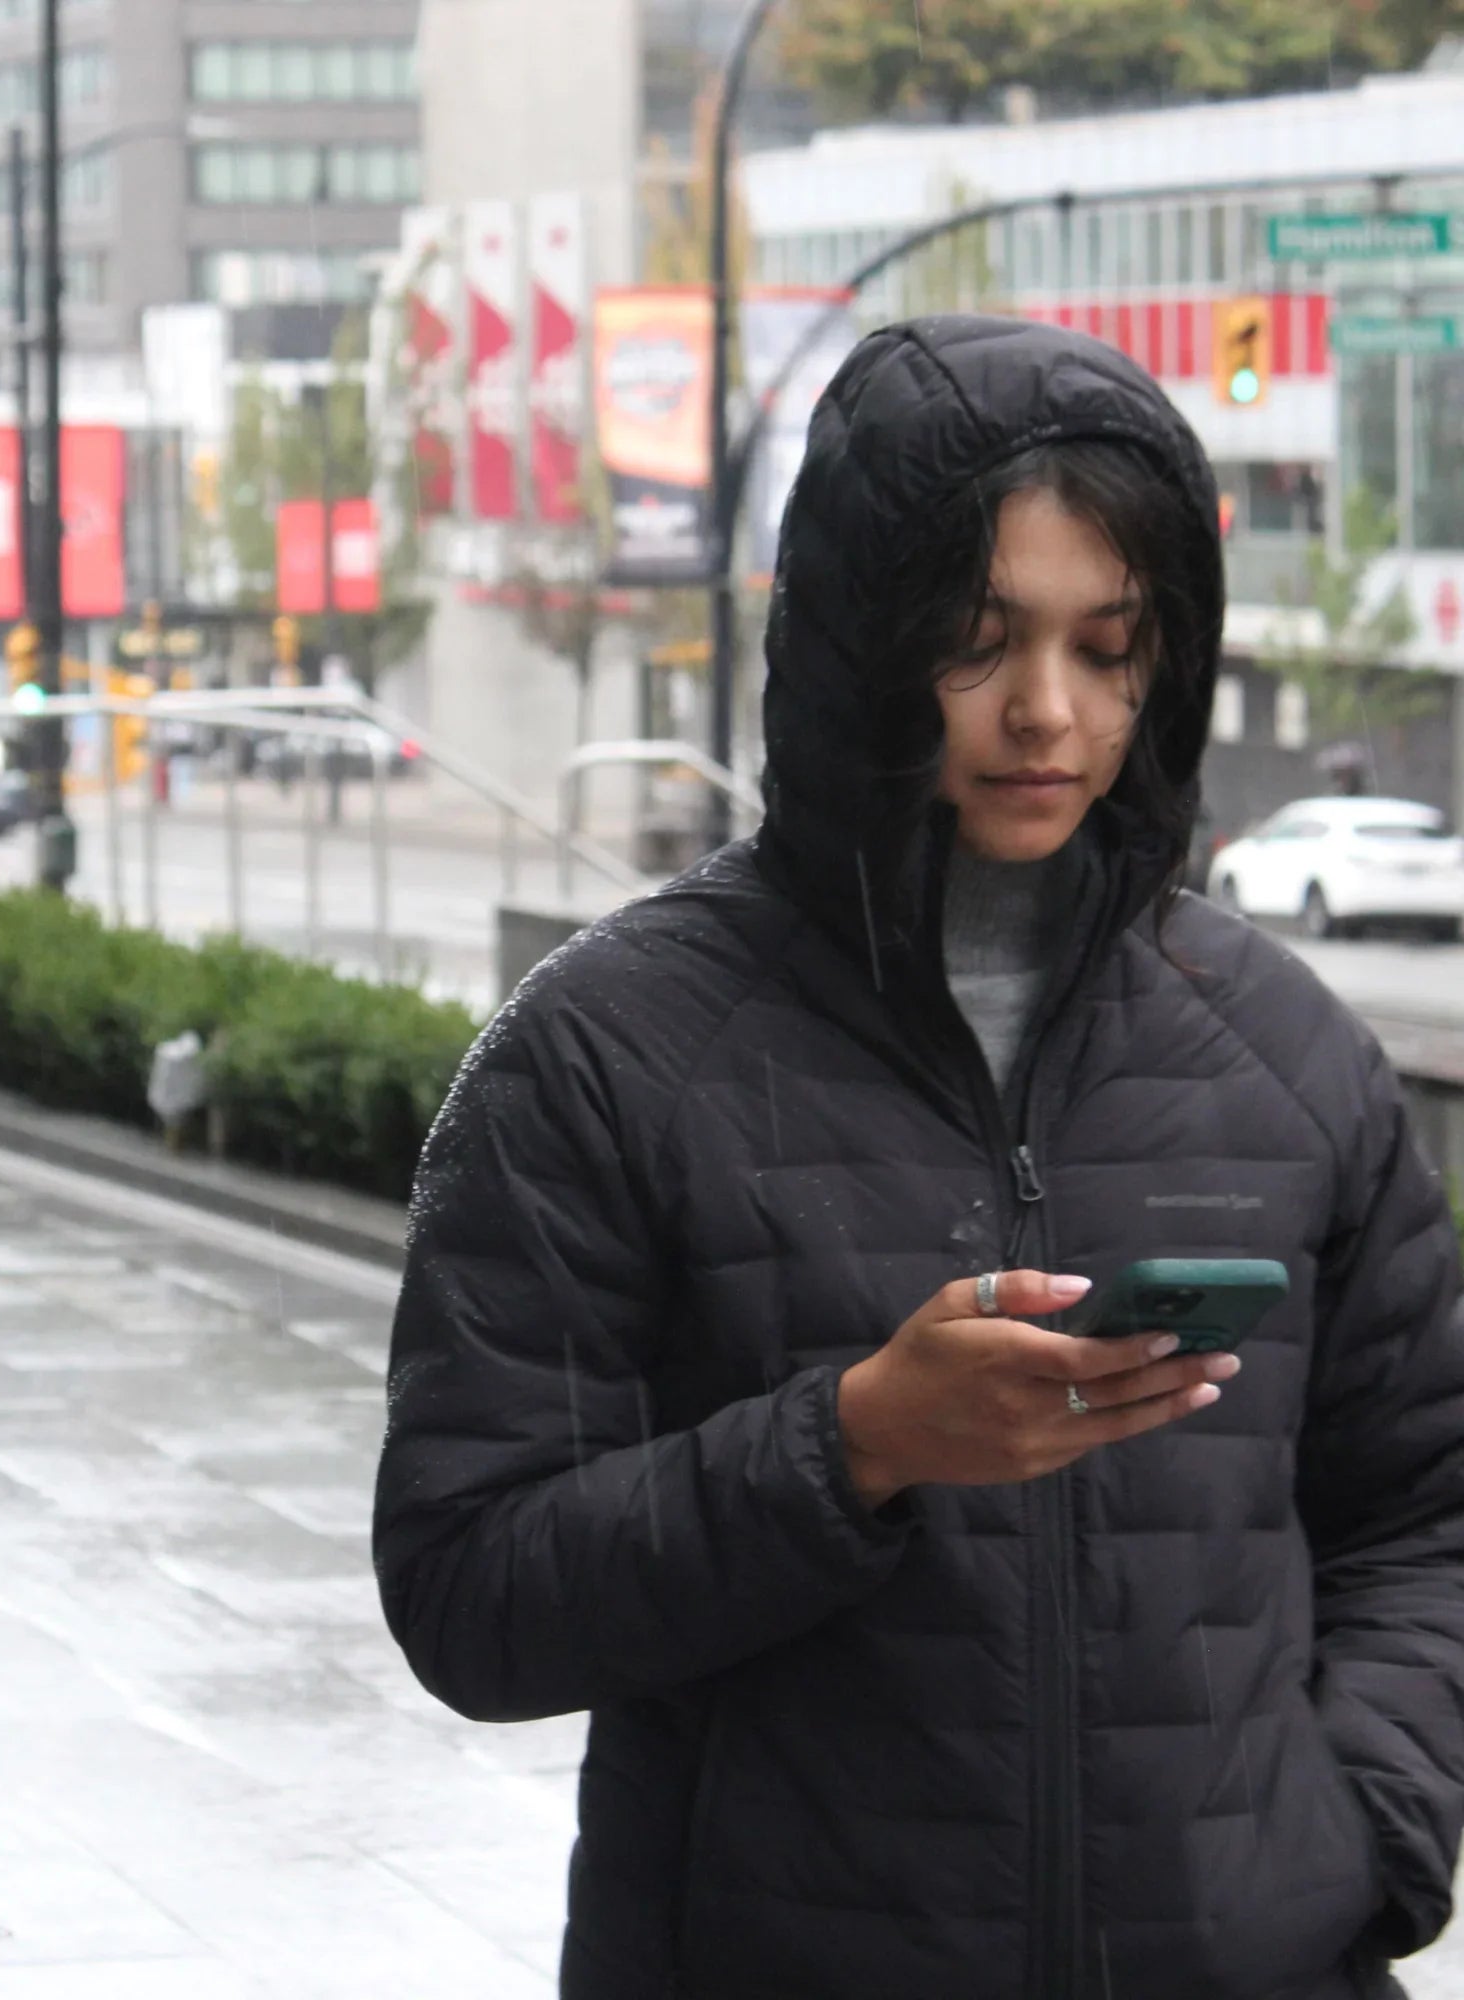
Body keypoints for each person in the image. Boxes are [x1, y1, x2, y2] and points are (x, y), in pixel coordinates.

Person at [371, 315, 1464, 2000]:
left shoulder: (1290, 1055)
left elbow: (1424, 1516)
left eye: (1109, 647)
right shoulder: (601, 1051)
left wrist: (1358, 1839)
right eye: (978, 641)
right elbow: (468, 1590)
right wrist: (851, 1445)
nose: (1050, 713)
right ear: (858, 645)